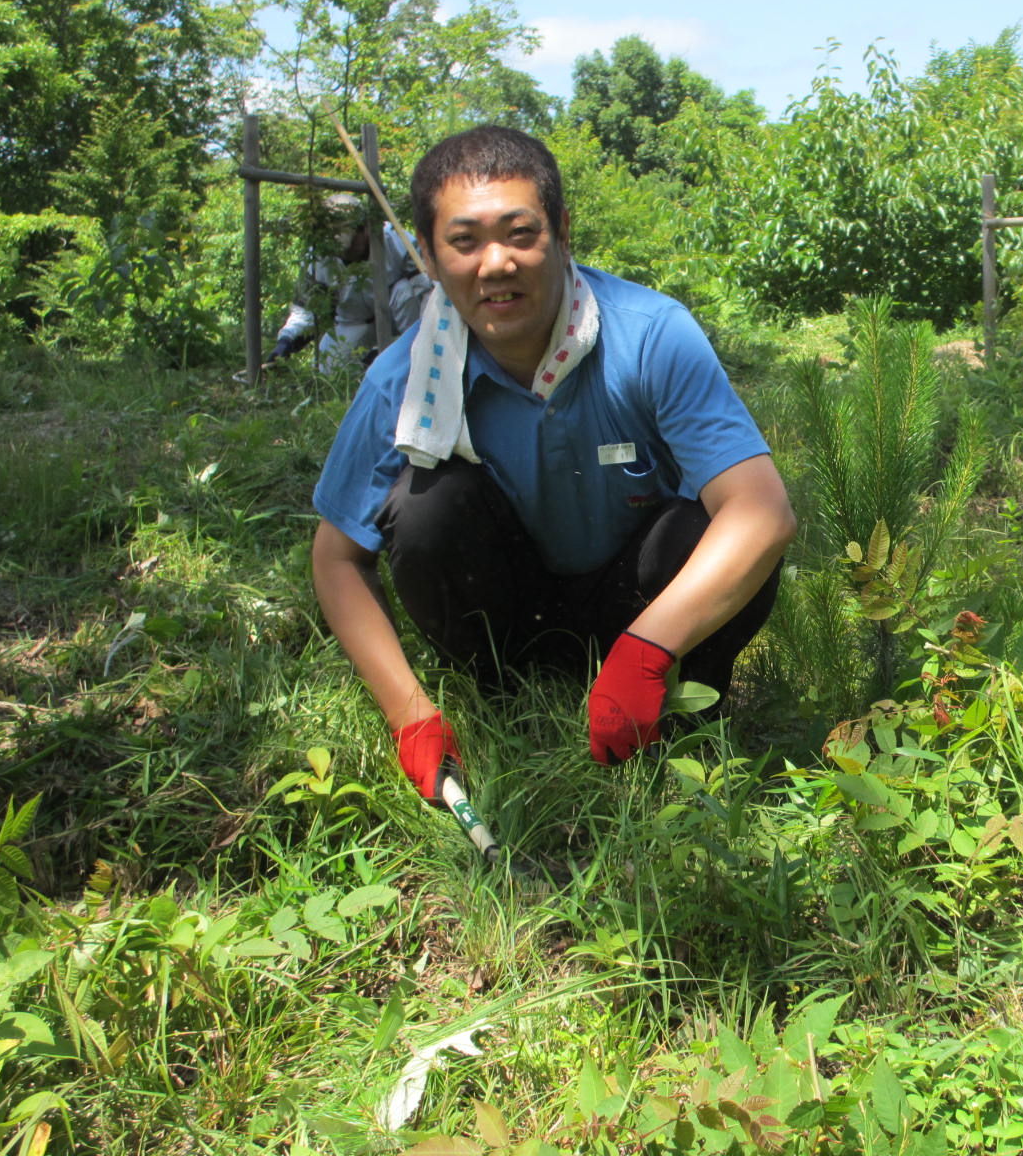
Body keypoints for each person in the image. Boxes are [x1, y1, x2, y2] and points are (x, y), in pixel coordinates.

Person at [311, 125, 795, 805]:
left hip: (638, 608)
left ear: (562, 232)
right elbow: (336, 558)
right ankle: (499, 696)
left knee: (701, 530)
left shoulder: (650, 334)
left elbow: (762, 510)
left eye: (520, 233)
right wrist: (407, 713)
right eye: (465, 241)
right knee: (427, 505)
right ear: (426, 255)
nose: (496, 264)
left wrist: (646, 652)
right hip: (506, 616)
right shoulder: (403, 382)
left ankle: (686, 715)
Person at [250, 193, 432, 378]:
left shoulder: (397, 241)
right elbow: (307, 309)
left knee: (404, 292)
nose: (345, 254)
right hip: (353, 321)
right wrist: (287, 341)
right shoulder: (318, 257)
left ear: (364, 229)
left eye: (349, 246)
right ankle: (369, 363)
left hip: (400, 316)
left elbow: (427, 293)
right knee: (328, 369)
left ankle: (411, 353)